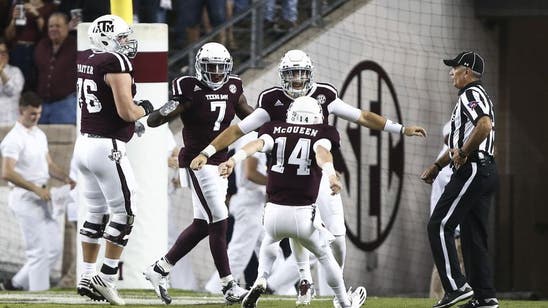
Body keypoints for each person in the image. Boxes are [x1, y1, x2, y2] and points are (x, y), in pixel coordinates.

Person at [190, 49, 427, 305]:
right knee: (305, 236)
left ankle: (277, 279)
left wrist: (399, 128)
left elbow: (360, 117)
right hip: (297, 179)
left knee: (323, 235)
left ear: (309, 73)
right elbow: (240, 130)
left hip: (311, 178)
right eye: (291, 74)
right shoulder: (273, 102)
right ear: (283, 75)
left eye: (301, 73)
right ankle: (320, 288)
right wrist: (210, 151)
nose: (297, 79)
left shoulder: (321, 97)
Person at [218, 96, 367, 308]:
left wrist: (234, 159)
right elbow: (322, 154)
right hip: (302, 213)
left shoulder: (275, 128)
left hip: (272, 212)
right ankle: (344, 302)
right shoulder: (322, 133)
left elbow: (257, 144)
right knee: (325, 256)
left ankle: (261, 278)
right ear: (316, 116)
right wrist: (332, 175)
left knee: (269, 242)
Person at [143, 42, 253, 305]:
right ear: (200, 68)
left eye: (220, 69)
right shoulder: (188, 88)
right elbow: (156, 121)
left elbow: (248, 116)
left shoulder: (234, 86)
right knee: (219, 217)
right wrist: (165, 109)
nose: (216, 74)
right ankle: (228, 285)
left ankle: (159, 269)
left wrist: (274, 120)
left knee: (204, 224)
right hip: (197, 163)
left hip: (221, 162)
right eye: (210, 68)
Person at [73, 14, 154, 305]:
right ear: (106, 39)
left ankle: (86, 275)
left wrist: (133, 122)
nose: (127, 43)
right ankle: (106, 279)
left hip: (83, 144)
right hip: (107, 149)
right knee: (125, 213)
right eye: (121, 38)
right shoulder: (116, 62)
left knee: (95, 212)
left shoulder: (86, 58)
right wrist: (145, 108)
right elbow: (126, 112)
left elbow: (104, 106)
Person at [420, 51, 499, 308]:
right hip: (483, 169)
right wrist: (437, 165)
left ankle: (455, 288)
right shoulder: (473, 95)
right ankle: (485, 297)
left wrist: (464, 153)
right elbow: (456, 144)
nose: (450, 72)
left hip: (474, 168)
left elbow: (484, 125)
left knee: (438, 225)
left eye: (454, 68)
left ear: (466, 71)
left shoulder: (471, 94)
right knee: (472, 237)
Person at [0, 91, 75, 291]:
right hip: (24, 198)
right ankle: (39, 296)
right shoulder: (13, 139)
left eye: (39, 113)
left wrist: (66, 178)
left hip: (43, 197)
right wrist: (34, 189)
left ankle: (14, 284)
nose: (36, 117)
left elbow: (48, 164)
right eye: (32, 114)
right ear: (21, 111)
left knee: (53, 250)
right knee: (39, 252)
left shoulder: (39, 134)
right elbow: (6, 172)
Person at [204, 131, 267, 293]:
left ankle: (280, 287)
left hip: (251, 201)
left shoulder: (248, 136)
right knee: (240, 250)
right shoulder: (256, 138)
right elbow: (250, 173)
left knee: (270, 248)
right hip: (249, 201)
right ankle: (216, 288)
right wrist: (277, 184)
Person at [428, 121, 465, 301]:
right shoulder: (447, 164)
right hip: (451, 225)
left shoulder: (445, 158)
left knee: (449, 265)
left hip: (449, 224)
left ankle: (445, 297)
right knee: (446, 266)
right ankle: (437, 298)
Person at [34, 12, 77, 124]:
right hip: (42, 104)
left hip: (66, 104)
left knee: (64, 140)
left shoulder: (75, 45)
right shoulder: (42, 45)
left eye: (58, 26)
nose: (53, 29)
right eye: (51, 26)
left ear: (67, 27)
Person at [4, 0, 56, 91]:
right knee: (15, 83)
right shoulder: (17, 5)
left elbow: (47, 33)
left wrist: (37, 15)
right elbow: (8, 36)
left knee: (34, 83)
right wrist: (13, 20)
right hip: (17, 50)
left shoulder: (49, 7)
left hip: (37, 50)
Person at [0, 37, 24, 125]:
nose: (3, 55)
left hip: (12, 121)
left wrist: (1, 72)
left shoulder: (16, 71)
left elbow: (12, 91)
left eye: (4, 52)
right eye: (0, 52)